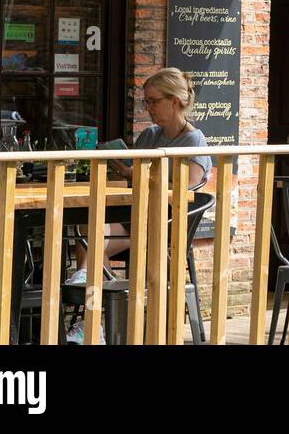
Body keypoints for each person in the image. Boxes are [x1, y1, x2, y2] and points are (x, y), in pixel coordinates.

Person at [66, 67, 211, 343]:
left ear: (175, 101)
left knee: (95, 241)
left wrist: (139, 175)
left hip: (165, 226)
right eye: (147, 101)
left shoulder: (194, 140)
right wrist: (123, 170)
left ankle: (92, 318)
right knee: (91, 227)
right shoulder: (149, 136)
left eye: (154, 101)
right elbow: (136, 178)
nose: (149, 108)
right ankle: (93, 318)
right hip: (135, 221)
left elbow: (187, 189)